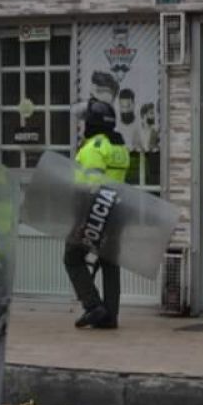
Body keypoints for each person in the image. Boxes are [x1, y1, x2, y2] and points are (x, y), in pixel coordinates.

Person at [64, 99, 130, 329]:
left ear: (94, 123)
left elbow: (92, 186)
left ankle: (93, 306)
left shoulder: (94, 147)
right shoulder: (119, 147)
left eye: (86, 121)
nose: (83, 126)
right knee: (110, 262)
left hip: (95, 211)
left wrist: (83, 220)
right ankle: (109, 316)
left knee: (72, 257)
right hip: (116, 211)